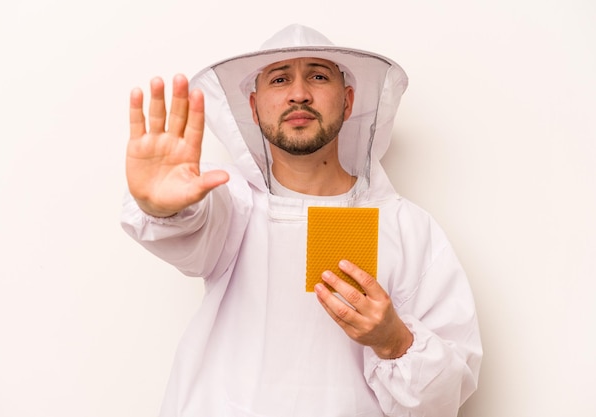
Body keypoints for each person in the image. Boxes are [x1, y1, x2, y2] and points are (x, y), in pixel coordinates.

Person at [121, 24, 482, 417]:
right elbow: (189, 232)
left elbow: (446, 394)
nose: (298, 93)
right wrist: (161, 207)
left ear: (347, 101)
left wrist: (394, 340)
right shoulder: (232, 205)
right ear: (255, 108)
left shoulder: (409, 229)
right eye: (280, 79)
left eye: (317, 75)